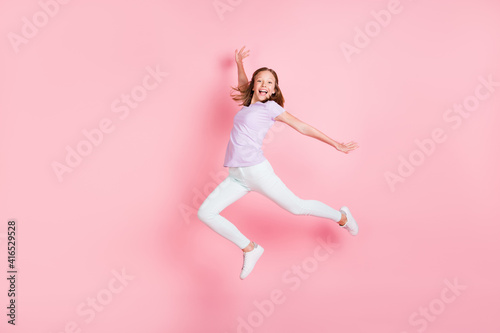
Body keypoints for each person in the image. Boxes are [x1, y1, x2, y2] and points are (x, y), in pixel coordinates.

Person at [197, 46, 359, 280]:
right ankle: (250, 248)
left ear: (274, 90)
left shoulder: (270, 108)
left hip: (257, 171)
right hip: (236, 176)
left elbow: (302, 126)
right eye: (260, 80)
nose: (264, 84)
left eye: (270, 83)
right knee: (206, 213)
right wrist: (239, 64)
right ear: (254, 85)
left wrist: (335, 144)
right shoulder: (249, 104)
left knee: (297, 207)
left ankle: (342, 217)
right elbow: (245, 84)